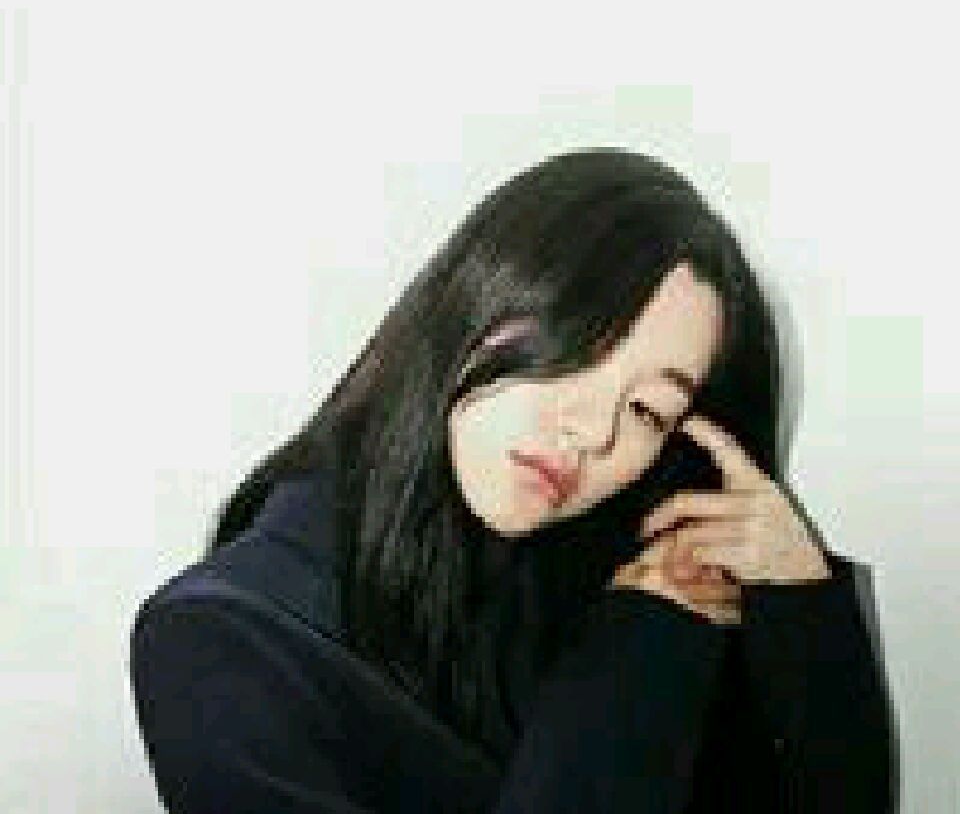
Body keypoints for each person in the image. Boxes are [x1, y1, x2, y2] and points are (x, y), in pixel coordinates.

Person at [129, 147, 899, 812]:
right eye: (577, 349)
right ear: (471, 305)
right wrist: (633, 658)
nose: (593, 432)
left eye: (647, 410)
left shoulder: (628, 560)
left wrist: (800, 600)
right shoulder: (227, 639)